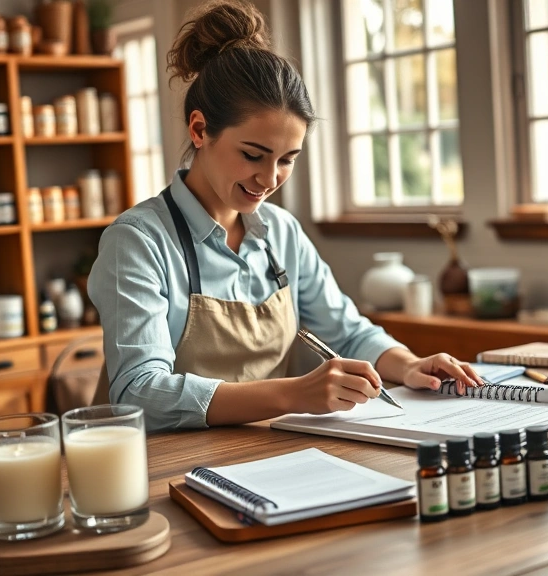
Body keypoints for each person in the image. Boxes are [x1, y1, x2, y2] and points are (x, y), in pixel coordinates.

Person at [88, 0, 482, 432]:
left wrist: (408, 365)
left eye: (287, 159)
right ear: (199, 130)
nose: (270, 178)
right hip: (159, 467)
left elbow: (348, 332)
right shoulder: (138, 243)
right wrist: (295, 394)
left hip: (257, 453)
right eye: (253, 155)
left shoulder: (282, 233)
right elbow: (140, 392)